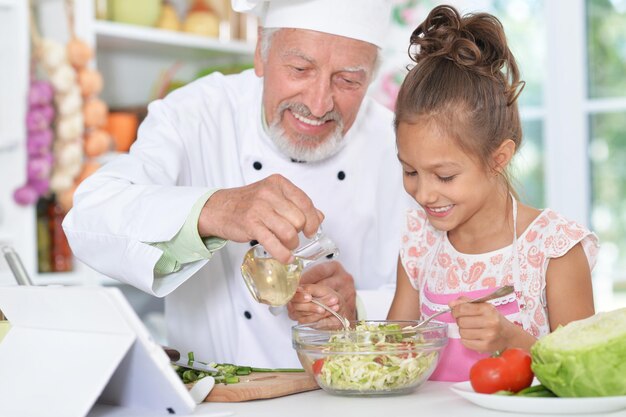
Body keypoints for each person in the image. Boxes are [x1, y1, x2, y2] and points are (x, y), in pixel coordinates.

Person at [63, 0, 413, 368]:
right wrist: (213, 209)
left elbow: (434, 293)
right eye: (299, 69)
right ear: (261, 51)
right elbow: (88, 218)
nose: (319, 102)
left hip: (343, 400)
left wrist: (359, 306)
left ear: (371, 76)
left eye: (348, 80)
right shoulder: (195, 114)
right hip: (215, 396)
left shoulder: (396, 147)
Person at [385, 5, 599, 381]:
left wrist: (510, 338)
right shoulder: (419, 241)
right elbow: (391, 357)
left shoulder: (554, 249)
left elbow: (585, 374)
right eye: (410, 171)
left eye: (445, 176)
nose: (424, 193)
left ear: (499, 157)